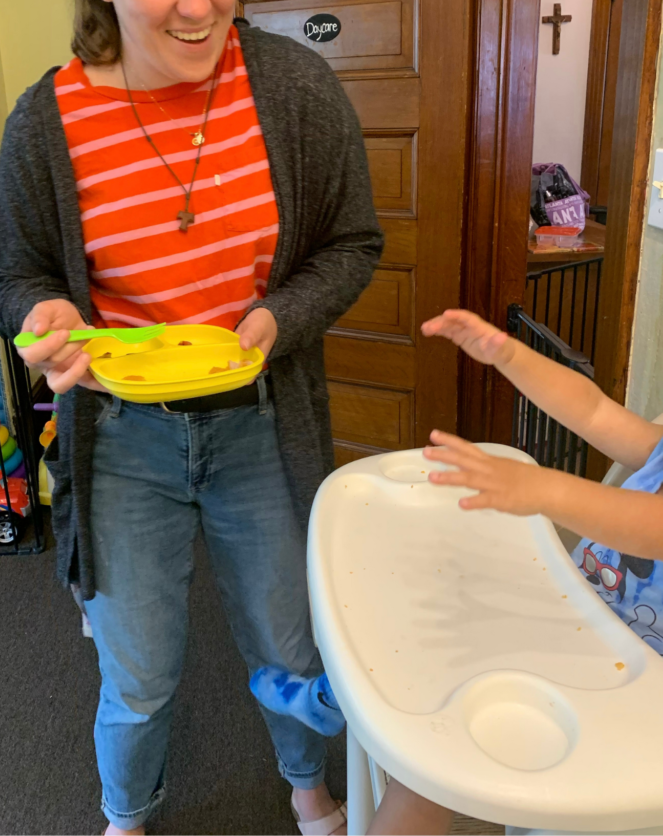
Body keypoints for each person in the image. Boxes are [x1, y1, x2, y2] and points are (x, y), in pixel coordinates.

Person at [0, 0, 383, 835]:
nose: (198, 5)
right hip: (120, 441)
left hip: (258, 418)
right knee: (141, 670)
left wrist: (275, 317)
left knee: (289, 647)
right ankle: (126, 814)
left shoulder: (291, 91)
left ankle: (308, 787)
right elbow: (16, 268)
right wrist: (42, 314)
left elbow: (351, 243)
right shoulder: (47, 121)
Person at [251, 308, 663, 834]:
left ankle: (338, 700)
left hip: (635, 700)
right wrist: (511, 357)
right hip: (581, 625)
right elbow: (595, 410)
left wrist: (542, 491)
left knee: (442, 747)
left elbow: (648, 524)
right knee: (437, 635)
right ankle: (338, 696)